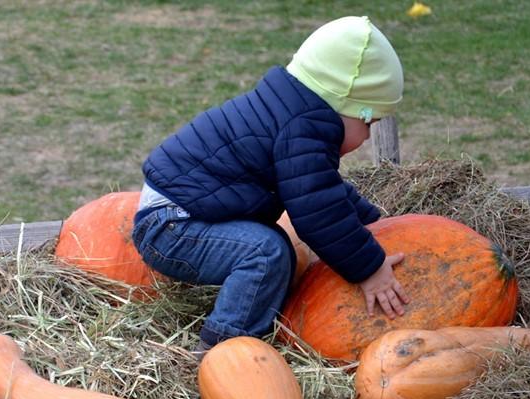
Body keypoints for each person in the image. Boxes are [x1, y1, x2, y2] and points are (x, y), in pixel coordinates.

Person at [131, 15, 410, 353]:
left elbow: (324, 190)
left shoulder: (293, 111)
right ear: (348, 107)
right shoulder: (304, 127)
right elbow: (317, 213)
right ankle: (224, 349)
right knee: (265, 253)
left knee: (271, 244)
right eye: (370, 123)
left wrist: (374, 222)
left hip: (180, 214)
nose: (367, 137)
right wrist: (369, 269)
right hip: (171, 227)